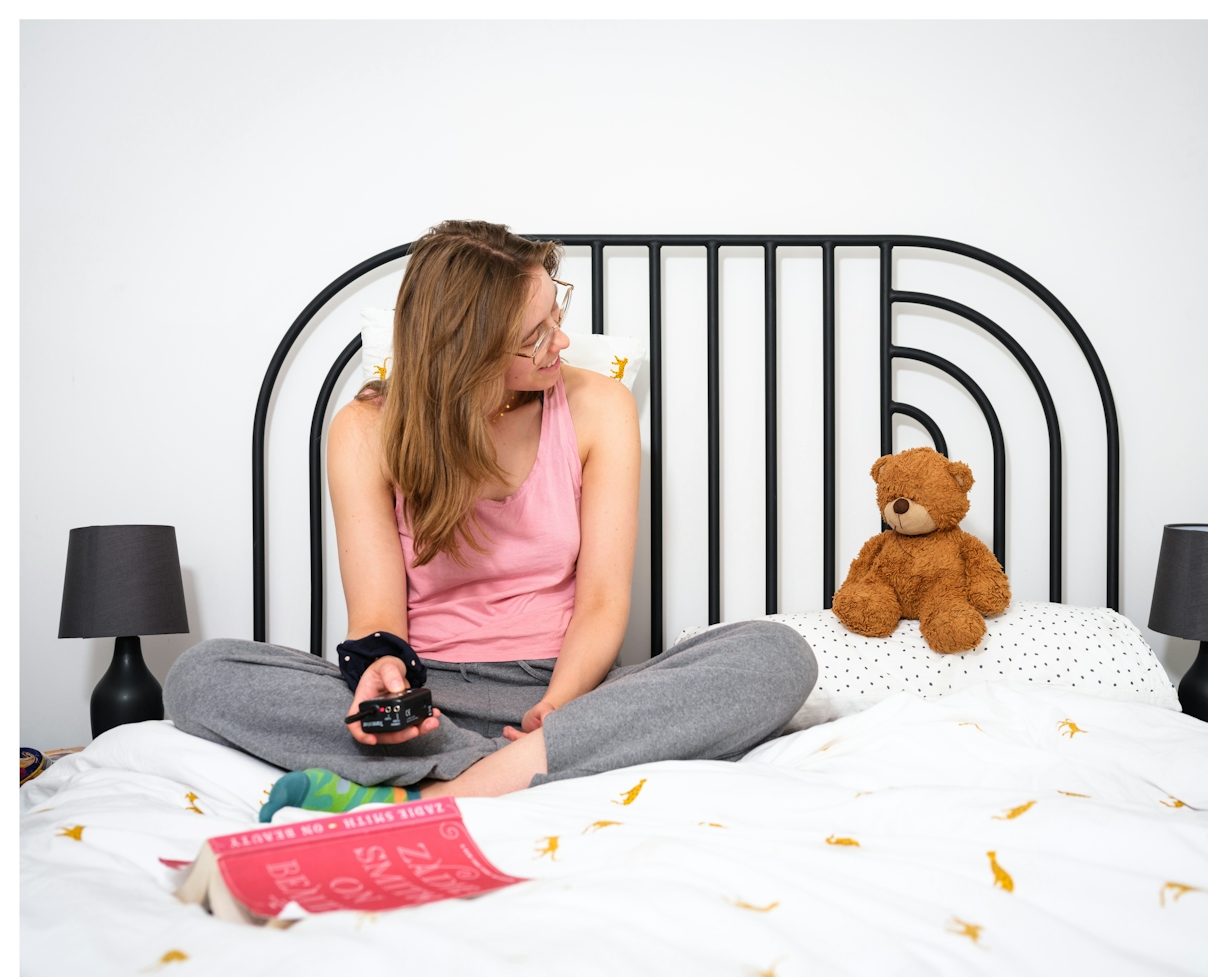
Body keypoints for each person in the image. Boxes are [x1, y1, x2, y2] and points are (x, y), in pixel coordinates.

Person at [164, 221, 817, 822]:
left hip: (567, 692)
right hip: (429, 703)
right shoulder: (364, 430)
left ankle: (446, 791)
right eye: (535, 335)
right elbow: (375, 618)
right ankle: (513, 771)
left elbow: (602, 598)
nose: (561, 340)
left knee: (777, 655)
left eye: (554, 313)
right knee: (201, 675)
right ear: (465, 358)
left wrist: (558, 709)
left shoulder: (601, 406)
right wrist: (380, 674)